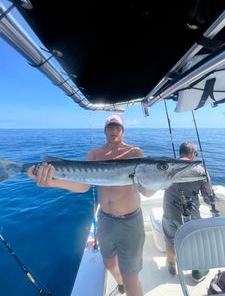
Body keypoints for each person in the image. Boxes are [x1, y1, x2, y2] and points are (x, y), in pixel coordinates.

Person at [28, 115, 155, 296]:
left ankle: (126, 284)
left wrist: (162, 181)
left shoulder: (135, 152)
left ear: (123, 130)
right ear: (105, 131)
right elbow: (83, 185)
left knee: (131, 277)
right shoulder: (95, 154)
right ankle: (120, 284)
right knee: (109, 263)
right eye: (109, 128)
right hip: (105, 219)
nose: (113, 131)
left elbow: (147, 191)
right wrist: (51, 182)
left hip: (130, 221)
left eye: (117, 127)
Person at [162, 141, 213, 282]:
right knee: (194, 242)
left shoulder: (168, 169)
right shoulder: (201, 171)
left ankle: (172, 265)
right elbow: (209, 199)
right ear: (192, 154)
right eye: (195, 154)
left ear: (180, 153)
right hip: (192, 214)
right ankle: (196, 272)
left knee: (170, 240)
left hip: (170, 212)